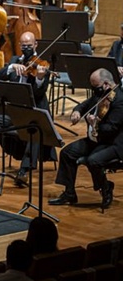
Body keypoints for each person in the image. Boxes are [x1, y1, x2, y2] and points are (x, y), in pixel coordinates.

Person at [0, 31, 50, 186]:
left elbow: (39, 94)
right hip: (12, 112)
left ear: (36, 45)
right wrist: (11, 67)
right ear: (19, 45)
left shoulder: (42, 64)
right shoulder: (14, 60)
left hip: (31, 113)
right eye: (24, 46)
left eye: (29, 46)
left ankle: (24, 170)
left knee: (35, 129)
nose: (26, 48)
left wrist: (38, 78)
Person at [48, 68, 121, 209]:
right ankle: (69, 193)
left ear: (106, 84)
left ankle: (106, 188)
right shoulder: (101, 94)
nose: (94, 90)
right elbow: (86, 104)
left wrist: (96, 124)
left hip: (114, 143)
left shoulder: (120, 100)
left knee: (93, 160)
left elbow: (112, 128)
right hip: (96, 139)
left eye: (96, 87)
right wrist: (77, 111)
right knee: (67, 153)